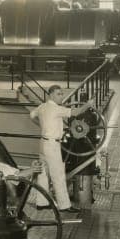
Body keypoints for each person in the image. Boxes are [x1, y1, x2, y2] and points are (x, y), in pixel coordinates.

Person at [29, 85, 95, 214]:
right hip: (52, 145)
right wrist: (88, 104)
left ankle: (41, 203)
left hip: (43, 142)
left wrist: (42, 126)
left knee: (42, 173)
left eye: (62, 93)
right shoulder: (56, 109)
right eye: (59, 94)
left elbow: (31, 115)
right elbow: (76, 112)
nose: (62, 96)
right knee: (58, 175)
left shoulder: (42, 107)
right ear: (51, 95)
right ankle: (64, 206)